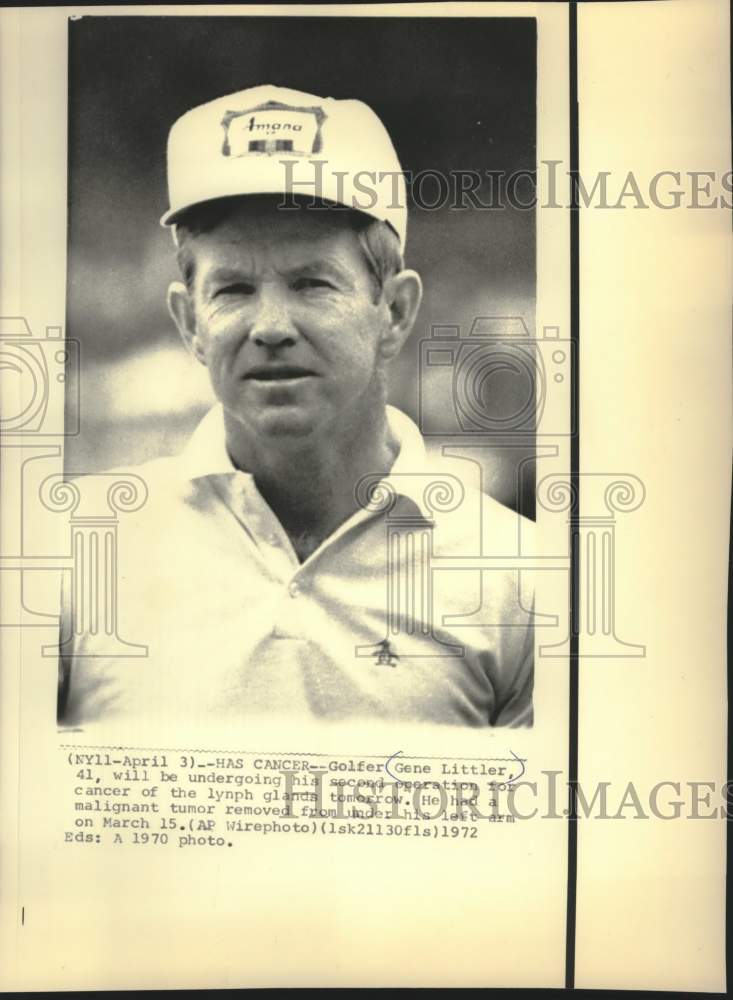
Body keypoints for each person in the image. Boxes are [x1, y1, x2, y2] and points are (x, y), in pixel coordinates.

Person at [57, 84, 534, 728]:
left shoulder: (518, 578)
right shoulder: (74, 553)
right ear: (189, 322)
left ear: (394, 312)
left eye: (312, 283)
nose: (271, 327)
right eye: (233, 288)